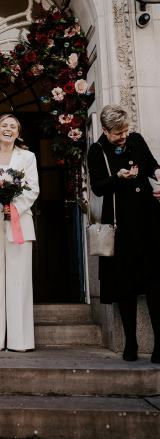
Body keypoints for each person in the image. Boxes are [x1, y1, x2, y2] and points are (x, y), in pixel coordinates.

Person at [87, 104, 160, 363]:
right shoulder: (96, 151)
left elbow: (151, 164)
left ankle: (159, 343)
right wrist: (118, 177)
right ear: (105, 131)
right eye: (118, 132)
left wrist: (157, 173)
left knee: (155, 280)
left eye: (126, 130)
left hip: (148, 218)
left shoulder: (136, 140)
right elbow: (97, 188)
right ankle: (131, 340)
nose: (124, 135)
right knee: (125, 283)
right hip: (120, 223)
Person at [0, 114, 39, 351]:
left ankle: (19, 340)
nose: (8, 129)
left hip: (19, 222)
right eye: (5, 125)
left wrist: (13, 206)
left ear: (18, 132)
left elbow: (33, 188)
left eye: (13, 126)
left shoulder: (28, 156)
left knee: (18, 281)